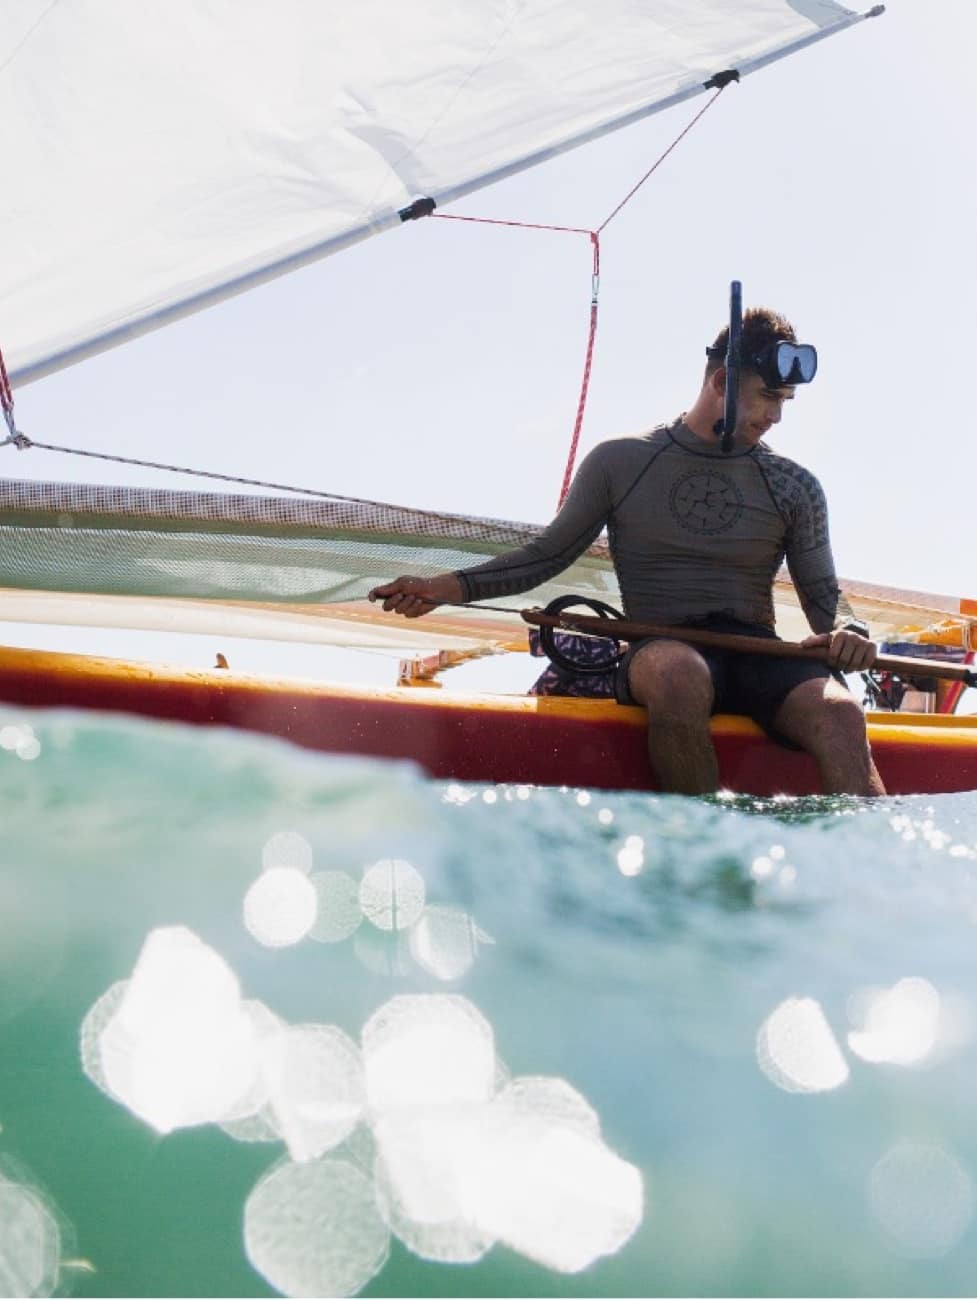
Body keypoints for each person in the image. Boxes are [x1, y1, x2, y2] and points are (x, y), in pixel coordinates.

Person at [369, 308, 885, 796]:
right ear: (722, 382)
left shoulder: (795, 485)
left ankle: (869, 846)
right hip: (661, 647)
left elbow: (824, 597)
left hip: (758, 653)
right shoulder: (621, 461)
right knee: (680, 675)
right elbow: (546, 556)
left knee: (840, 712)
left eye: (785, 401)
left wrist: (851, 631)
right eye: (767, 397)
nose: (776, 415)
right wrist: (440, 588)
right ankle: (703, 847)